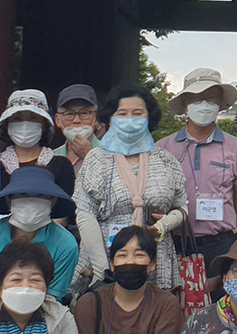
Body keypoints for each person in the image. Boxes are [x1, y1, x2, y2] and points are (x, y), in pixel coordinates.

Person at [74, 84, 190, 292]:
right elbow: (84, 213)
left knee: (155, 309)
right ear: (110, 118)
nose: (130, 119)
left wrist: (164, 225)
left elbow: (182, 207)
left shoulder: (166, 160)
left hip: (155, 255)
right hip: (106, 254)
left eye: (137, 113)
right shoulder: (96, 159)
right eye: (122, 114)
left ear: (149, 117)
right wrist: (103, 268)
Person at [158, 67, 237, 283]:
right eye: (196, 99)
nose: (204, 105)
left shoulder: (235, 147)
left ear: (220, 103)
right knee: (175, 300)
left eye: (211, 98)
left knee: (221, 301)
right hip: (174, 243)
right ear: (185, 104)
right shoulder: (163, 148)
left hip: (221, 245)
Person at [0, 164, 81, 309]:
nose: (31, 201)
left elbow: (52, 300)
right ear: (9, 200)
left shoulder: (65, 243)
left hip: (44, 315)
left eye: (40, 195)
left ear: (52, 201)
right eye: (22, 194)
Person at [0, 89, 75, 234]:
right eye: (17, 119)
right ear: (7, 124)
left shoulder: (61, 165)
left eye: (33, 118)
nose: (25, 125)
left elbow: (62, 215)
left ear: (44, 125)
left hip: (47, 244)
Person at [72, 224, 184, 334]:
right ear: (112, 264)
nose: (130, 261)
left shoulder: (166, 305)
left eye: (139, 255)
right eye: (122, 255)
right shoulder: (89, 304)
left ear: (153, 264)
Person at [55, 83, 101, 170]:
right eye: (69, 114)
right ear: (57, 120)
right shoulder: (51, 158)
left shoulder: (111, 154)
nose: (76, 120)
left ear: (96, 117)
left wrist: (91, 156)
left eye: (84, 113)